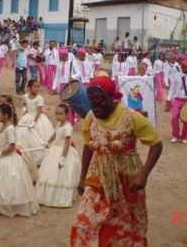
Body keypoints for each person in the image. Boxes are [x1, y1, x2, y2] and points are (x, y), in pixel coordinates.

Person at [70, 75, 163, 247]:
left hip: (127, 179)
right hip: (98, 177)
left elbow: (156, 144)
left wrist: (143, 175)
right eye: (92, 101)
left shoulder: (132, 117)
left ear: (111, 97)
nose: (96, 106)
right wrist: (83, 177)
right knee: (84, 223)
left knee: (126, 225)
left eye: (100, 100)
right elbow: (89, 146)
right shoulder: (91, 117)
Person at [0, 104, 39, 217]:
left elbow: (12, 147)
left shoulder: (10, 129)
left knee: (10, 181)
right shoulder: (1, 127)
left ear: (6, 116)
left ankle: (12, 205)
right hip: (0, 157)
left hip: (9, 159)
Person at [36, 104, 81, 207]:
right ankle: (46, 196)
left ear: (67, 115)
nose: (57, 116)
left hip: (62, 152)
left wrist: (62, 158)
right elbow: (54, 135)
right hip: (54, 150)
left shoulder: (68, 127)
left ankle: (60, 198)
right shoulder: (58, 124)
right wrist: (47, 142)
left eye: (60, 114)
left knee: (60, 175)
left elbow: (67, 143)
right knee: (48, 173)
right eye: (56, 113)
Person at [16, 80, 54, 165]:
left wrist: (34, 122)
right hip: (27, 117)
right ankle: (26, 156)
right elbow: (25, 104)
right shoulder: (25, 96)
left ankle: (38, 158)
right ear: (29, 88)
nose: (37, 88)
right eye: (35, 86)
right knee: (24, 136)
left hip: (37, 119)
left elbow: (39, 111)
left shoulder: (39, 98)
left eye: (38, 87)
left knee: (37, 136)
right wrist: (24, 110)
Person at [168, 60, 187, 144]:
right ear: (181, 67)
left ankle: (184, 136)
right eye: (185, 67)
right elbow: (172, 88)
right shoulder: (176, 76)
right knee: (174, 118)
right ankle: (175, 135)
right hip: (177, 100)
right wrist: (168, 99)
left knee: (186, 119)